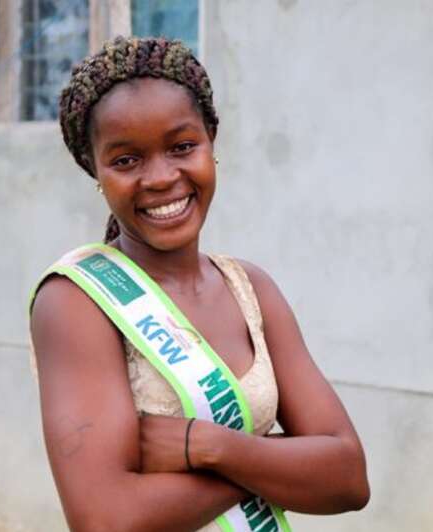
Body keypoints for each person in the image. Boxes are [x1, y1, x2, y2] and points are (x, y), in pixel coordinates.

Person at [29, 36, 369, 532]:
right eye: (126, 160)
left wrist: (208, 447)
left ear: (211, 142)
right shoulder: (77, 302)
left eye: (182, 146)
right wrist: (276, 465)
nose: (162, 177)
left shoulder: (251, 288)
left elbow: (348, 477)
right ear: (96, 171)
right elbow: (106, 520)